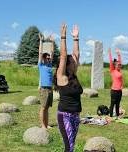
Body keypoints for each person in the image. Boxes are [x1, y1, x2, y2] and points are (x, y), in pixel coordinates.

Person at [53, 23, 83, 152]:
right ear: (68, 64)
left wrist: (76, 38)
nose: (76, 62)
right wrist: (63, 37)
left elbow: (76, 54)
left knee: (72, 144)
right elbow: (64, 56)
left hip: (76, 115)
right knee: (69, 146)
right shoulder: (61, 77)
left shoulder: (74, 75)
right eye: (73, 61)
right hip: (64, 115)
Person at [38, 33, 55, 129]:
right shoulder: (41, 65)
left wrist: (52, 42)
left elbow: (52, 52)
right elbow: (40, 53)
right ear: (43, 58)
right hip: (44, 89)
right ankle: (42, 125)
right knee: (43, 108)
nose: (48, 58)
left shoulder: (49, 65)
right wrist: (41, 41)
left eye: (49, 57)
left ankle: (46, 124)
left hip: (49, 89)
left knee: (47, 108)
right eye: (47, 57)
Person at [108, 48, 123, 119]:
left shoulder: (119, 71)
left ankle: (117, 116)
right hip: (114, 91)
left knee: (118, 104)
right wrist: (110, 53)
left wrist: (118, 54)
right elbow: (111, 62)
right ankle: (110, 116)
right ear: (115, 65)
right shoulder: (112, 71)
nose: (119, 65)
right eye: (118, 65)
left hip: (119, 91)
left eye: (120, 65)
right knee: (112, 104)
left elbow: (119, 61)